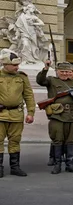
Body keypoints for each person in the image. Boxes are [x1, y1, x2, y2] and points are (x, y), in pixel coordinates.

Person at [36, 60, 73, 174]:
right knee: (57, 139)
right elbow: (40, 80)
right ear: (58, 72)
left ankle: (70, 164)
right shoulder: (51, 81)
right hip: (57, 115)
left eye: (67, 72)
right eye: (62, 71)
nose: (65, 74)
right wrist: (45, 68)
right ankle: (57, 164)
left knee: (71, 140)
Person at [0, 50, 35, 178]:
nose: (17, 67)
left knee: (15, 141)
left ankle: (15, 167)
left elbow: (29, 95)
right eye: (14, 65)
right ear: (6, 64)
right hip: (1, 114)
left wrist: (31, 112)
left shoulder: (22, 77)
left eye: (17, 65)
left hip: (16, 114)